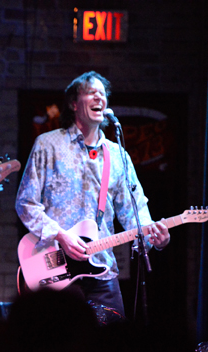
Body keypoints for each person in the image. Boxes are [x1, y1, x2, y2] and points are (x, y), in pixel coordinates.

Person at [15, 71, 170, 317]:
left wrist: (154, 238)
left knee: (111, 339)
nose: (99, 97)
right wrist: (61, 235)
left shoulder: (117, 155)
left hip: (102, 270)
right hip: (56, 270)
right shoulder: (48, 145)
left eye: (103, 93)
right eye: (91, 92)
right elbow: (26, 203)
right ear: (74, 104)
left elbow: (135, 212)